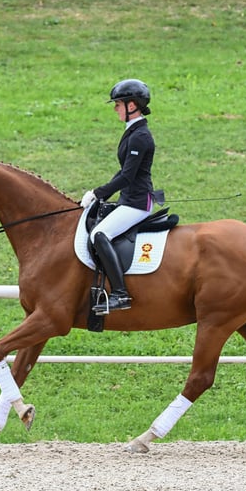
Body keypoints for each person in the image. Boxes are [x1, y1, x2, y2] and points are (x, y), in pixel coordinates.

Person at [81, 78, 162, 315]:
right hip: (130, 198)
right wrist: (102, 194)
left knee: (99, 234)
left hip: (137, 202)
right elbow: (124, 171)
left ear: (132, 105)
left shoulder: (140, 136)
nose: (115, 108)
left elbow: (127, 176)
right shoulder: (133, 132)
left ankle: (120, 293)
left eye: (118, 104)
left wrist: (98, 193)